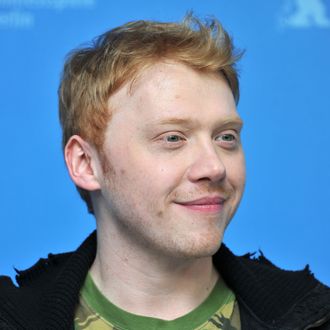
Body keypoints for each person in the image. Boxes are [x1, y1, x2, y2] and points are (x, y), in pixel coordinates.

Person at [0, 15, 329, 330]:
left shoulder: (315, 315)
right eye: (173, 138)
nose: (214, 167)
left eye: (226, 137)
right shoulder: (15, 319)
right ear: (86, 164)